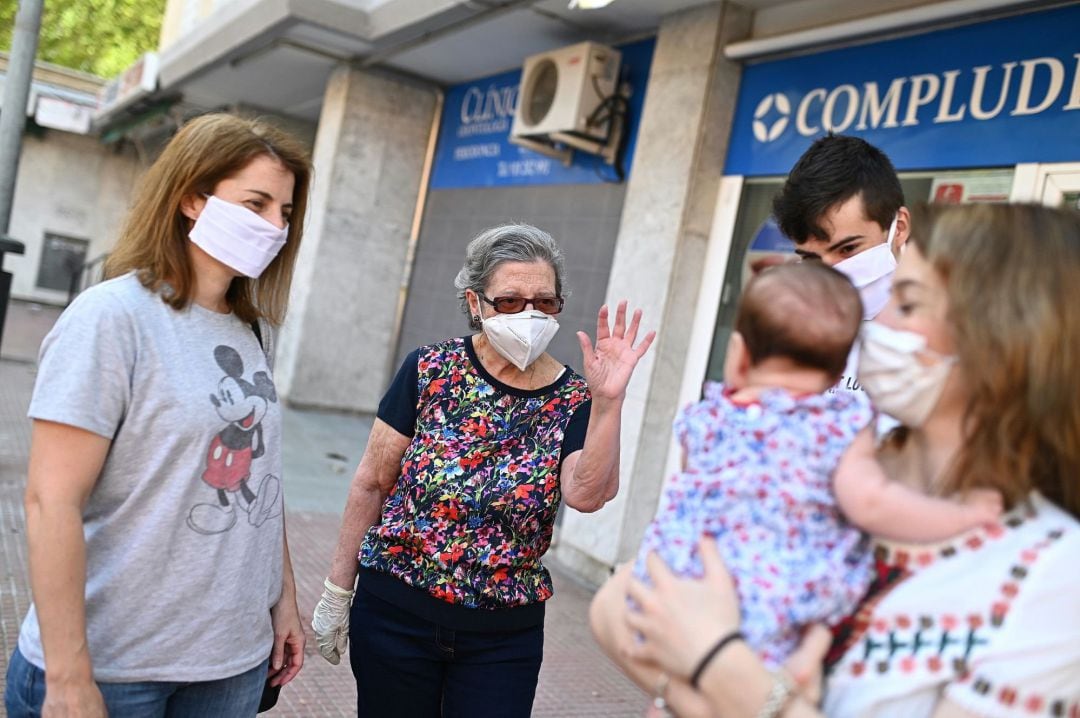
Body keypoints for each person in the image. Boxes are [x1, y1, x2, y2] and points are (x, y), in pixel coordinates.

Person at [592, 203, 1080, 717]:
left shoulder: (1052, 570)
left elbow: (651, 623)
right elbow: (613, 606)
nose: (875, 321)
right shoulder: (825, 463)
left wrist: (714, 664)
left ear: (1005, 341)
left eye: (907, 303)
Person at [4, 113, 311, 718]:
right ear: (193, 198)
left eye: (285, 211)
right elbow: (49, 502)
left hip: (228, 663)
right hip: (116, 668)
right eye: (255, 203)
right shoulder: (110, 318)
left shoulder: (251, 331)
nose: (274, 226)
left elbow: (257, 483)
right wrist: (68, 678)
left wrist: (284, 602)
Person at [311, 223, 655, 717]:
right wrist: (337, 592)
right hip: (396, 614)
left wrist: (608, 404)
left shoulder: (575, 398)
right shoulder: (430, 369)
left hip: (503, 636)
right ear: (476, 303)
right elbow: (373, 481)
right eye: (510, 301)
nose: (530, 314)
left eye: (545, 301)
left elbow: (587, 494)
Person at [631, 261, 1000, 678]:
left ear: (739, 355)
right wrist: (966, 516)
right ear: (840, 370)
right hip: (769, 611)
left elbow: (692, 489)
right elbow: (872, 504)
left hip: (668, 590)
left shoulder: (707, 417)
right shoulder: (838, 424)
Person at [771, 134, 909, 396]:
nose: (831, 274)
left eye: (848, 249)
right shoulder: (792, 328)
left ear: (898, 228)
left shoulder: (955, 335)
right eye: (811, 259)